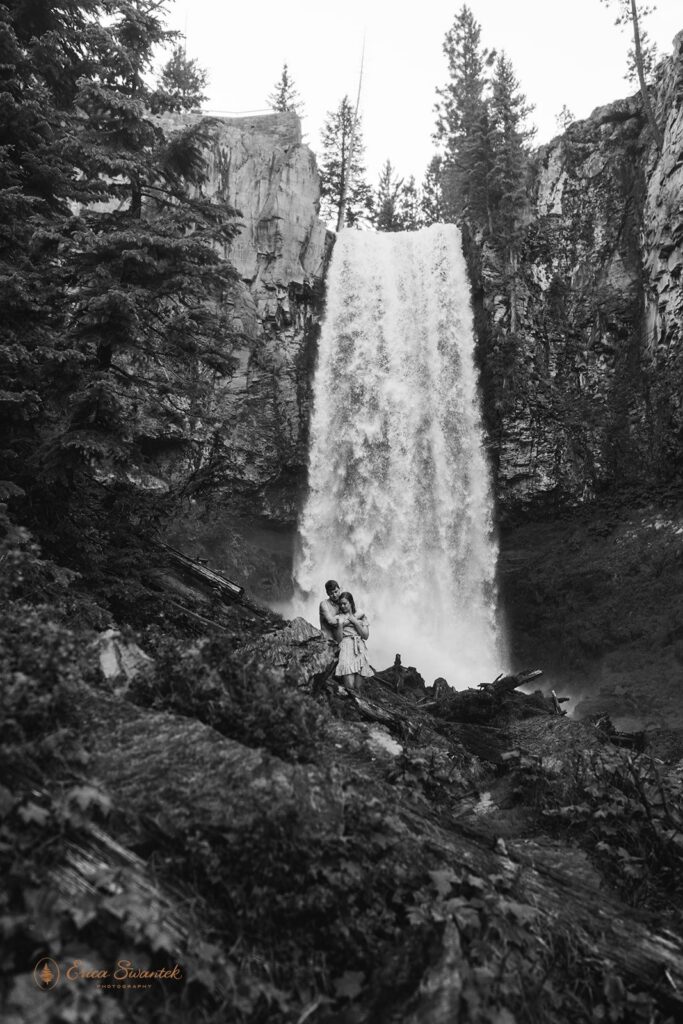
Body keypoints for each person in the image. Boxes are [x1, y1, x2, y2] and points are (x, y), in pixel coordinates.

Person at [335, 591, 372, 692]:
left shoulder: (361, 615)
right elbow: (339, 640)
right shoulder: (339, 618)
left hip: (359, 648)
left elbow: (365, 635)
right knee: (350, 687)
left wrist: (355, 622)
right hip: (346, 649)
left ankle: (358, 706)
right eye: (340, 604)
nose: (342, 606)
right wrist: (340, 625)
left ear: (351, 603)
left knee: (358, 687)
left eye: (345, 603)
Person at [319, 579, 343, 643]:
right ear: (327, 593)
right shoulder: (324, 604)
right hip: (328, 642)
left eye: (336, 591)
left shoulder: (343, 602)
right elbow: (331, 621)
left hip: (341, 640)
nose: (334, 595)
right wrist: (348, 617)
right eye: (331, 593)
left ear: (340, 589)